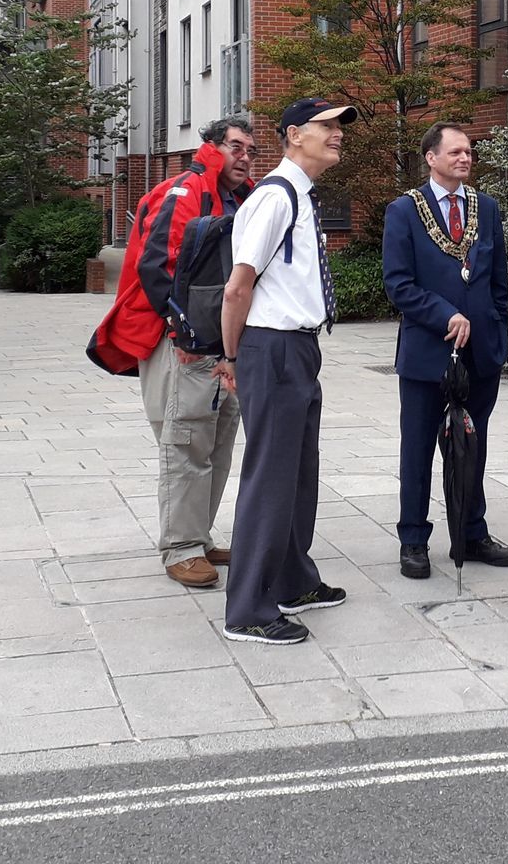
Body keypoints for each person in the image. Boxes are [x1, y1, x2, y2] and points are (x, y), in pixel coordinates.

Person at [88, 117, 255, 590]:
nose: (244, 157)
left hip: (220, 345)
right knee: (185, 441)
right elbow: (157, 266)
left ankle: (196, 539)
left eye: (251, 150)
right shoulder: (185, 191)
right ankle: (180, 548)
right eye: (236, 147)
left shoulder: (237, 196)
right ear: (211, 147)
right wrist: (184, 334)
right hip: (182, 343)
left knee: (217, 442)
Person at [215, 98, 357, 646]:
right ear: (294, 134)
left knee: (298, 473)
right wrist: (231, 357)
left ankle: (294, 580)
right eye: (327, 126)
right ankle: (248, 608)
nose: (337, 134)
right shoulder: (276, 197)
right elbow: (238, 286)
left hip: (297, 349)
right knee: (269, 479)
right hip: (270, 349)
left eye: (340, 126)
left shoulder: (300, 196)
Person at [382, 123, 508, 580]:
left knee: (472, 448)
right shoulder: (404, 211)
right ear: (431, 158)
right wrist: (445, 316)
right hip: (428, 354)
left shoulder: (487, 208)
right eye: (455, 151)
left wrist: (495, 322)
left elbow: (498, 277)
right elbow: (398, 284)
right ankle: (414, 540)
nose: (465, 158)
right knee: (418, 450)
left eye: (469, 152)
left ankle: (471, 532)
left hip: (480, 353)